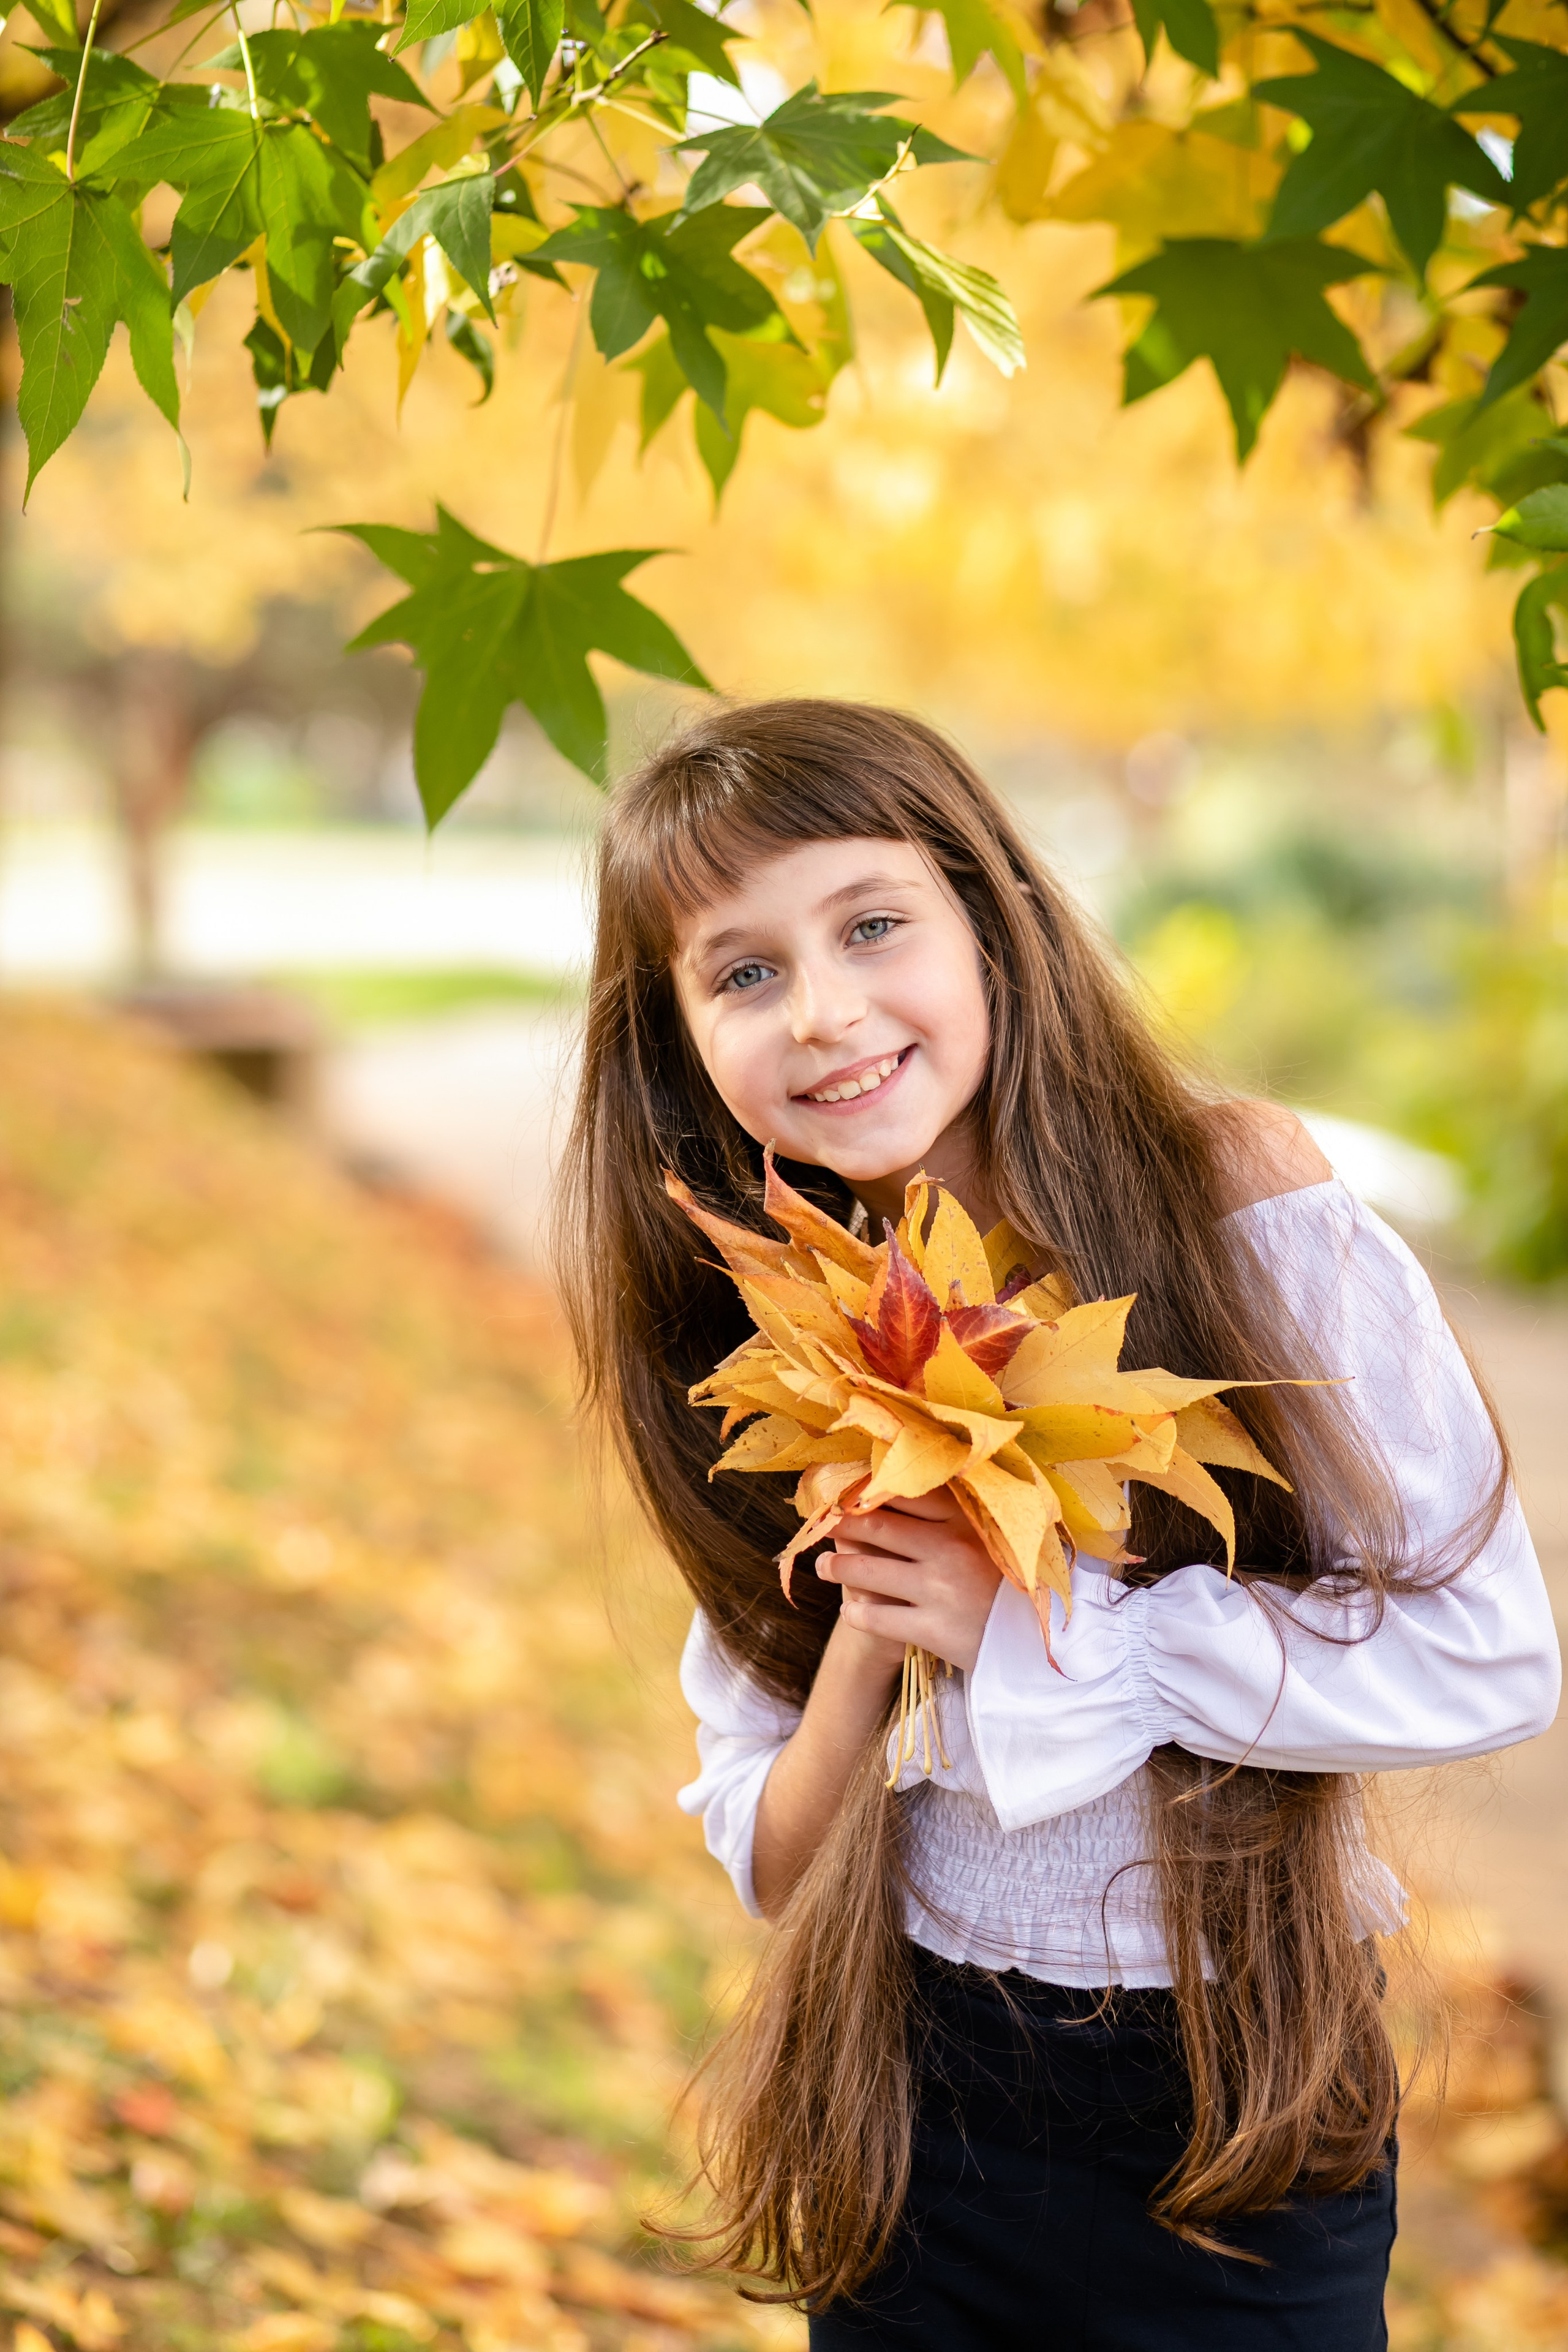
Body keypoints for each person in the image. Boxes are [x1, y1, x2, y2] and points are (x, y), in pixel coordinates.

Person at [554, 698, 1560, 2351]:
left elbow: (1491, 1656)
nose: (824, 1012)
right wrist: (877, 1638)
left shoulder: (1228, 1205)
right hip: (913, 2119)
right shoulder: (778, 1347)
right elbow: (780, 1862)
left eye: (873, 926)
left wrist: (1057, 1633)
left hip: (1234, 2120)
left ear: (990, 922)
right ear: (679, 1042)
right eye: (741, 973)